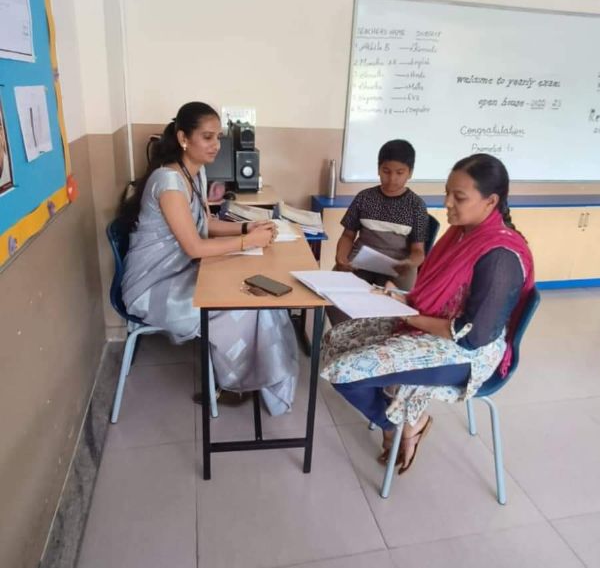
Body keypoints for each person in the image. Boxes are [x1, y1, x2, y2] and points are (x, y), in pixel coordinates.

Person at [321, 153, 534, 473]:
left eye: (459, 197)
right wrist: (400, 298)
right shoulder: (461, 233)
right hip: (435, 325)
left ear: (490, 201)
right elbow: (437, 294)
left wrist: (408, 316)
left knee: (342, 372)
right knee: (334, 339)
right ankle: (399, 416)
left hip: (468, 354)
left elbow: (472, 335)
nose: (447, 203)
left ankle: (397, 425)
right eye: (447, 192)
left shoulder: (500, 256)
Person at [120, 101, 299, 416]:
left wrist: (246, 227)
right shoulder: (168, 182)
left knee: (261, 299)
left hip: (181, 273)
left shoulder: (195, 174)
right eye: (207, 137)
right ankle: (235, 383)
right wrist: (247, 242)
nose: (216, 145)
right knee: (242, 307)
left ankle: (262, 379)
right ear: (183, 138)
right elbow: (194, 247)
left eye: (218, 137)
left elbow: (206, 225)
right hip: (152, 287)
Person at [334, 139, 429, 291]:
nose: (392, 179)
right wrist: (341, 258)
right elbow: (347, 236)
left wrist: (409, 263)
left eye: (399, 173)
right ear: (378, 169)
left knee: (396, 301)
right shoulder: (364, 198)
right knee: (337, 291)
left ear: (410, 173)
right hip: (360, 264)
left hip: (397, 268)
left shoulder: (416, 205)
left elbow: (418, 251)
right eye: (386, 171)